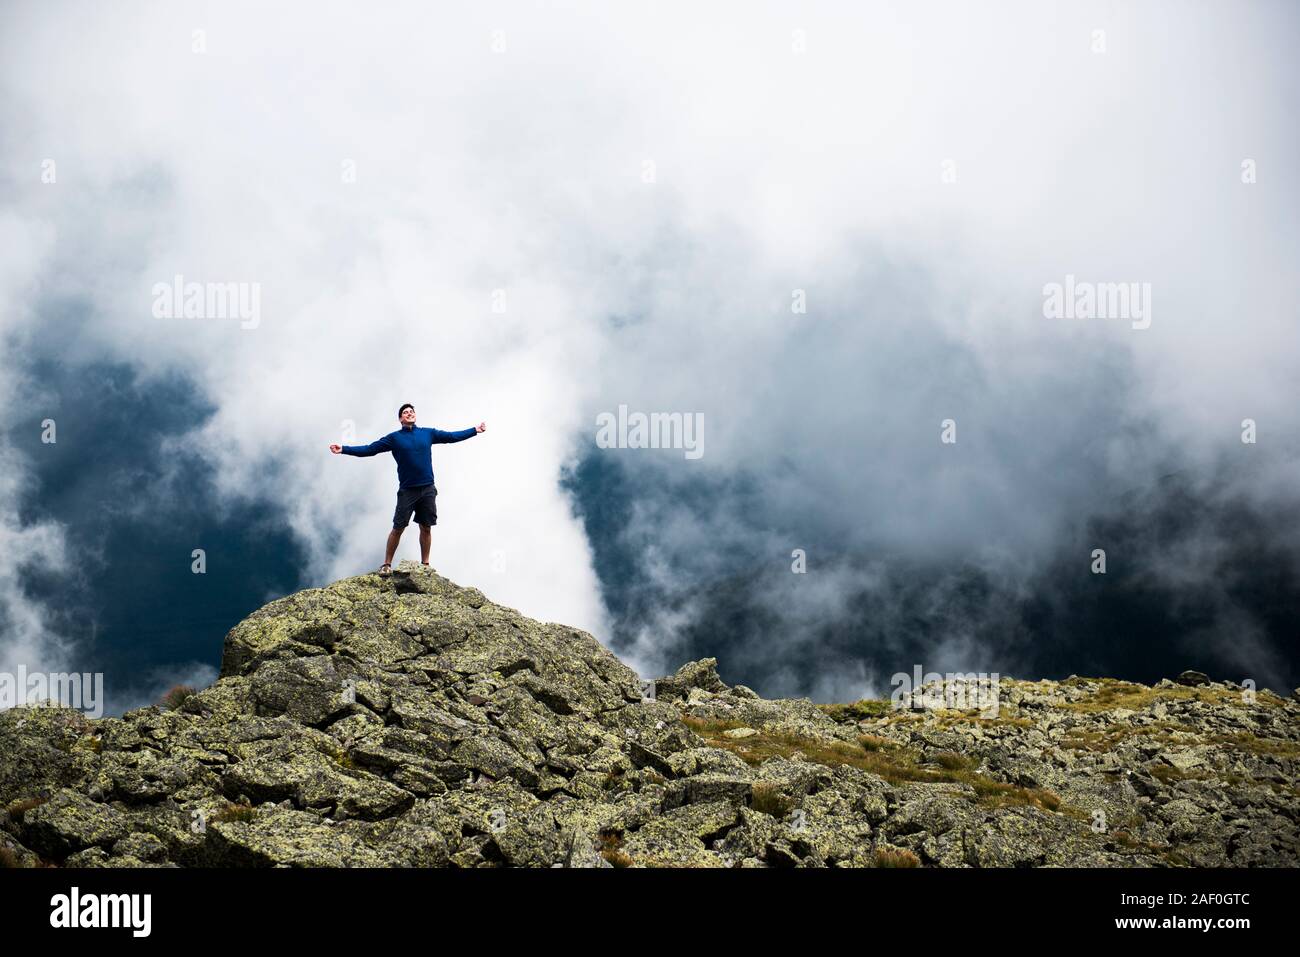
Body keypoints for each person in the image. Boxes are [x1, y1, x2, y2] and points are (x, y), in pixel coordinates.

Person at [330, 403, 485, 575]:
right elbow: (370, 449)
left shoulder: (428, 433)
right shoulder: (394, 438)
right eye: (405, 412)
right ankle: (386, 565)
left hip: (427, 489)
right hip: (407, 491)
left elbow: (451, 436)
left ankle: (425, 565)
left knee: (426, 527)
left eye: (412, 411)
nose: (409, 413)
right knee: (398, 527)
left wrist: (474, 430)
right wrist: (343, 449)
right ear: (400, 419)